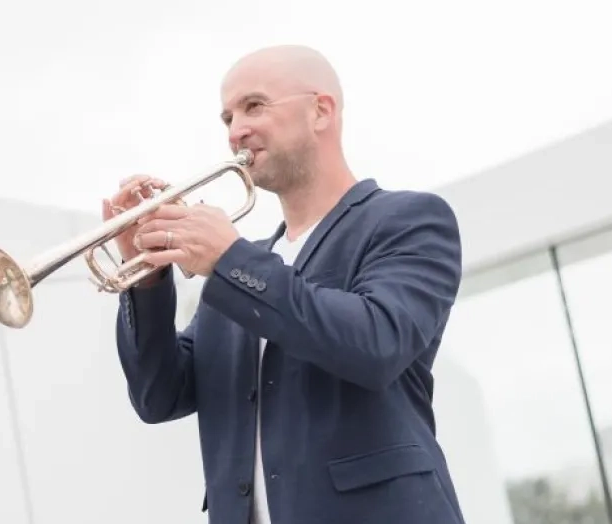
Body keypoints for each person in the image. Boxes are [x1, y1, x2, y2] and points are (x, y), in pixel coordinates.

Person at [103, 45, 467, 524]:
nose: (236, 130)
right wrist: (147, 280)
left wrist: (230, 259)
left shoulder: (409, 220)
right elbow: (158, 396)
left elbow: (376, 343)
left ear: (321, 110)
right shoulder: (240, 266)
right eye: (227, 117)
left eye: (254, 106)